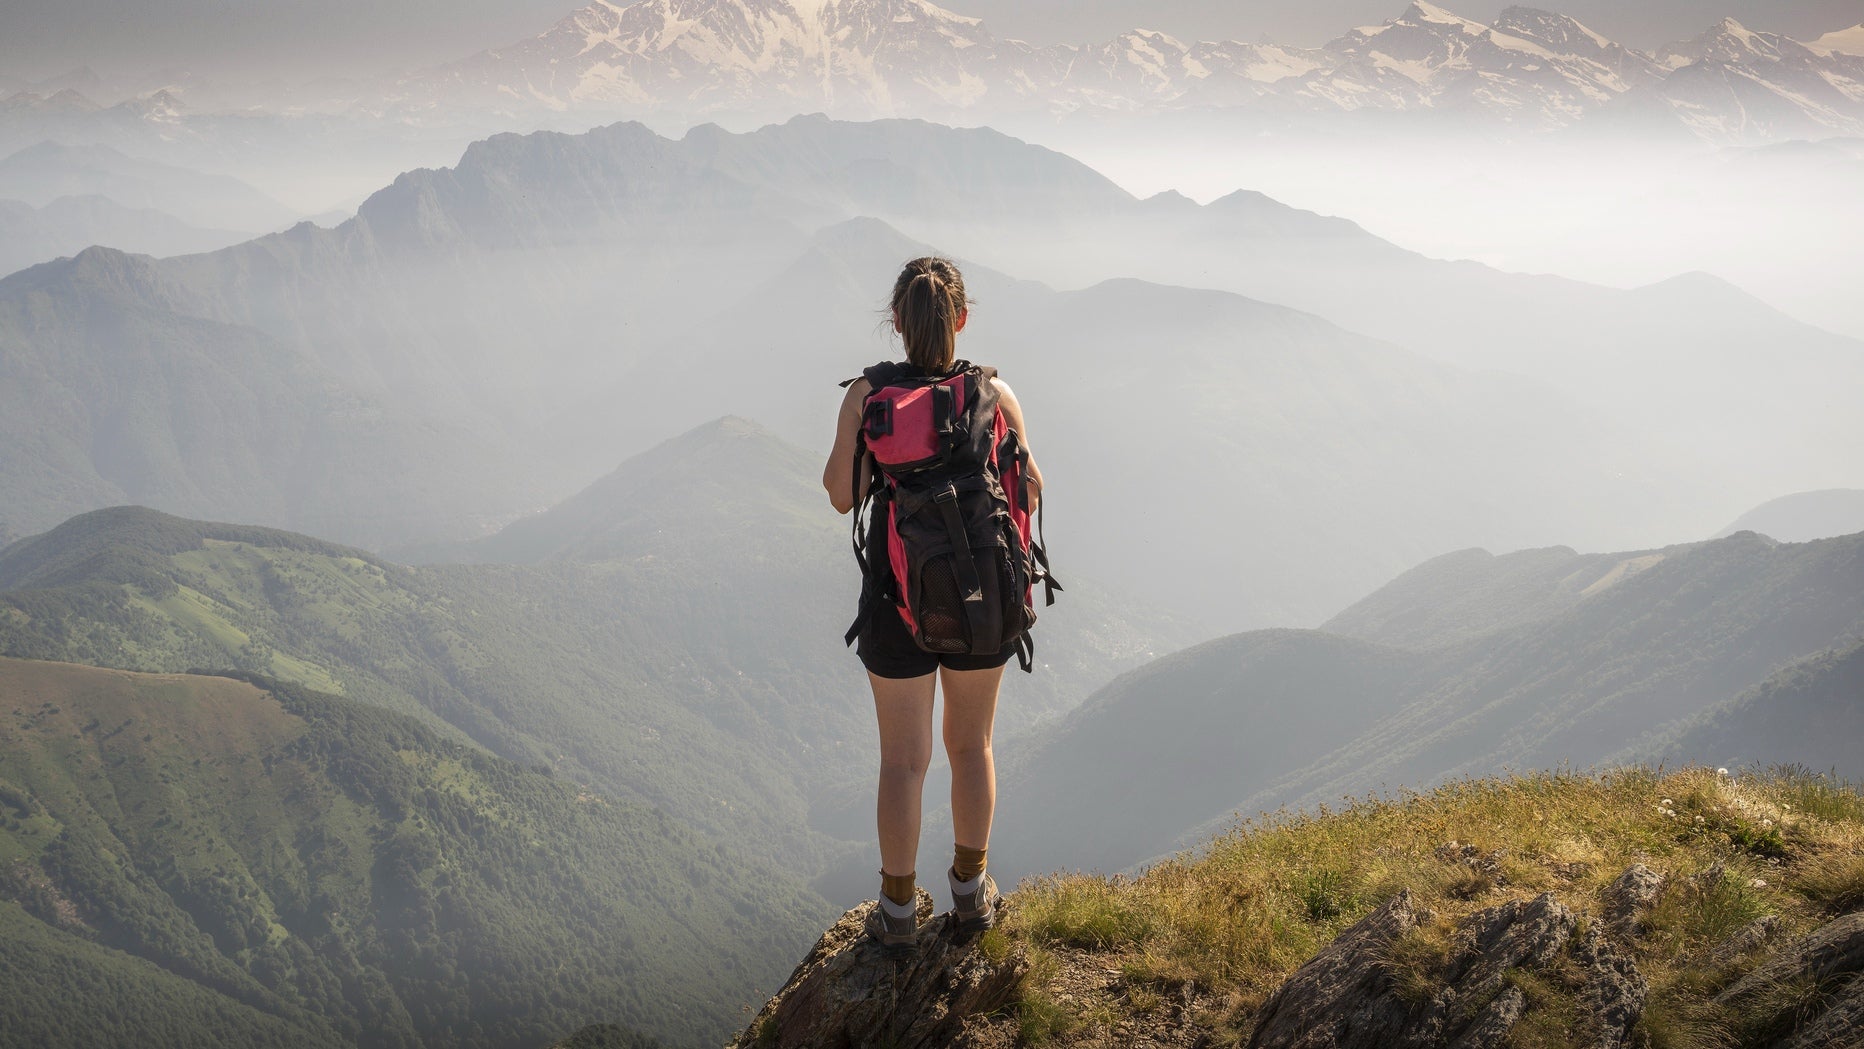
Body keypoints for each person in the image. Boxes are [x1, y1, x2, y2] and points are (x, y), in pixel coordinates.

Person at [823, 256, 1044, 953]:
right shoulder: (995, 394)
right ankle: (971, 895)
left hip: (897, 599)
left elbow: (839, 493)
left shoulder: (869, 397)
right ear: (962, 319)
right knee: (971, 746)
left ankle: (895, 911)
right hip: (984, 598)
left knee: (903, 761)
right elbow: (1029, 488)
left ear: (896, 323)